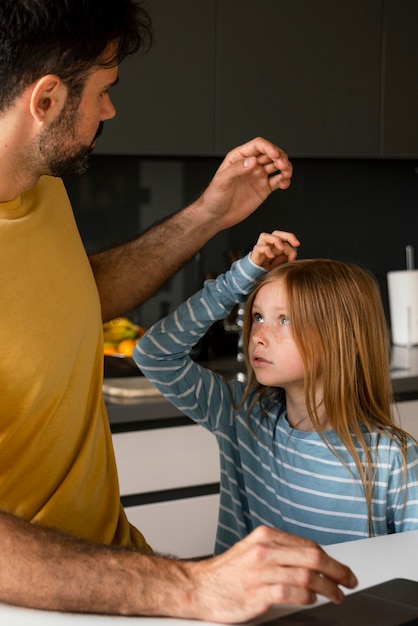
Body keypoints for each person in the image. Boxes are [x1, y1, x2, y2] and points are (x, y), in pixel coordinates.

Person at [0, 0, 358, 620]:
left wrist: (210, 213)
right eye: (105, 89)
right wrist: (194, 586)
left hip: (113, 574)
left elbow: (70, 297)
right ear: (47, 100)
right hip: (32, 605)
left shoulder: (39, 183)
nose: (110, 108)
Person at [135, 231, 418, 555]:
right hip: (249, 606)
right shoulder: (239, 416)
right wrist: (237, 282)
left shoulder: (392, 459)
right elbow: (153, 354)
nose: (259, 336)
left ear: (345, 340)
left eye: (284, 319)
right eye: (258, 316)